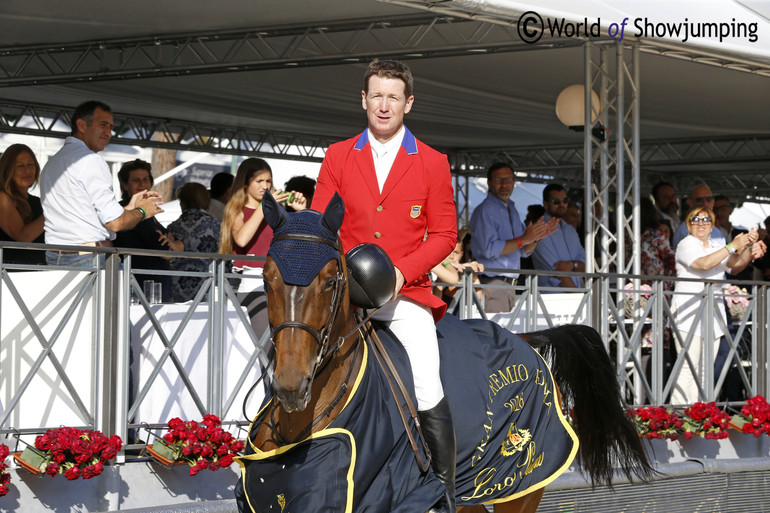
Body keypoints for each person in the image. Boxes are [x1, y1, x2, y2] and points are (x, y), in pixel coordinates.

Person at [311, 59, 458, 512]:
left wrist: (400, 273)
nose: (384, 104)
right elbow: (320, 224)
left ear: (408, 103)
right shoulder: (338, 155)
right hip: (345, 295)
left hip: (403, 294)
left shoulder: (432, 162)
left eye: (393, 96)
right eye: (376, 95)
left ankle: (441, 491)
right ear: (363, 99)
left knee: (428, 379)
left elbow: (445, 236)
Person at [40, 100, 163, 267]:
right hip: (89, 259)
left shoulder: (52, 163)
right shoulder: (90, 160)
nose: (109, 132)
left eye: (111, 127)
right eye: (103, 125)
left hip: (57, 257)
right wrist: (143, 211)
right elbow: (116, 223)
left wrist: (130, 208)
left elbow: (89, 218)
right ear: (82, 126)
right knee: (128, 293)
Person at [671, 206, 766, 404]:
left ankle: (701, 413)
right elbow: (703, 264)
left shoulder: (716, 245)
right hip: (688, 314)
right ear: (689, 224)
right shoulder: (685, 244)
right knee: (687, 367)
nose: (701, 223)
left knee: (707, 369)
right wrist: (732, 245)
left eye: (706, 220)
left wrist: (749, 246)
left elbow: (736, 266)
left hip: (712, 316)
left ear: (712, 224)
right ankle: (679, 415)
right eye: (696, 219)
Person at [219, 158, 307, 336]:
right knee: (265, 344)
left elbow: (300, 244)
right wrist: (265, 206)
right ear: (245, 184)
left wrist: (301, 212)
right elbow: (242, 240)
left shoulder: (279, 212)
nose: (264, 186)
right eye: (259, 181)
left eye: (268, 181)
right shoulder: (237, 211)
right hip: (251, 285)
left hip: (281, 284)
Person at [469, 163, 557, 313]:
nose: (504, 184)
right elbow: (489, 250)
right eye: (499, 180)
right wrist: (524, 239)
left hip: (510, 284)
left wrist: (536, 237)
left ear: (514, 182)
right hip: (493, 282)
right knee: (495, 334)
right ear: (489, 183)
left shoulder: (511, 209)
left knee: (507, 333)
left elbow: (523, 251)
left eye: (508, 179)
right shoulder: (485, 210)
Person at [114, 159, 183, 302]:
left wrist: (174, 245)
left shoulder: (147, 212)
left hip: (152, 283)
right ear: (125, 185)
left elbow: (178, 242)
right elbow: (165, 251)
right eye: (136, 180)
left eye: (145, 179)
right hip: (142, 285)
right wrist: (172, 246)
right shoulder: (132, 211)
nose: (142, 184)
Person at [167, 182, 221, 302]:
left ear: (182, 202)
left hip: (177, 287)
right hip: (208, 286)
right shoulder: (217, 226)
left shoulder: (172, 227)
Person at [531, 184, 586, 290]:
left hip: (577, 296)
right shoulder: (540, 229)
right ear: (545, 204)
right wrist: (578, 296)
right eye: (556, 201)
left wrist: (572, 265)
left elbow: (586, 266)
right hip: (551, 297)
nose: (562, 204)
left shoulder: (570, 230)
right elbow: (558, 271)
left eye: (564, 200)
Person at [0, 144, 46, 265]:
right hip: (9, 278)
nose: (27, 171)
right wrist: (52, 211)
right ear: (7, 169)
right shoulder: (2, 198)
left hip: (42, 276)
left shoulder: (38, 203)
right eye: (20, 166)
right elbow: (23, 237)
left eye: (31, 165)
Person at [431, 229, 484, 310]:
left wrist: (472, 273)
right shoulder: (434, 268)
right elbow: (436, 302)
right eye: (448, 251)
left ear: (462, 254)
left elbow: (478, 298)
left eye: (456, 252)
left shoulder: (464, 271)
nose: (451, 256)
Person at [673, 184, 724, 248]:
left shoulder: (716, 231)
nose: (705, 203)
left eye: (709, 199)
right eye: (699, 200)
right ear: (690, 203)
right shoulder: (685, 230)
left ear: (713, 203)